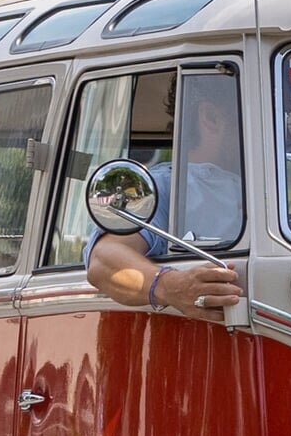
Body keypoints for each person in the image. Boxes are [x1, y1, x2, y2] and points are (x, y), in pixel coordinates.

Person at [87, 80, 251, 313]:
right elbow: (104, 261)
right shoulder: (165, 186)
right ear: (211, 117)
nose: (288, 136)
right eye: (268, 119)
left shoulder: (269, 199)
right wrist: (171, 286)